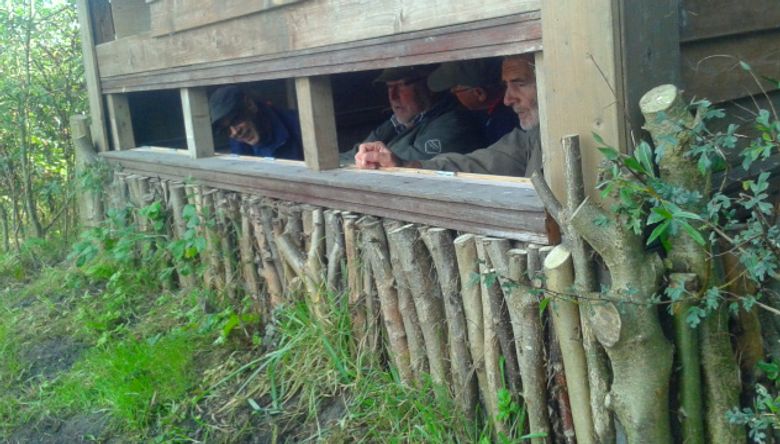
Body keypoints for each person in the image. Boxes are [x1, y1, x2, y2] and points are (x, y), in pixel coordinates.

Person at [354, 54, 541, 177]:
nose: (507, 100)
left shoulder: (454, 123)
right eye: (506, 86)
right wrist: (404, 165)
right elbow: (476, 163)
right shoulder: (529, 139)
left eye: (520, 84)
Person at [340, 65, 485, 163]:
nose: (393, 96)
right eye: (389, 87)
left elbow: (393, 164)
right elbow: (358, 153)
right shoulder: (399, 121)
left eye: (401, 86)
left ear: (429, 85)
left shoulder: (454, 123)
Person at [427, 58, 518, 145]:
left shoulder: (504, 126)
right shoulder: (485, 111)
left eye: (455, 90)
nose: (452, 94)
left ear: (479, 93)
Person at [209, 85, 304, 160]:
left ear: (250, 105)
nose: (235, 132)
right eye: (226, 129)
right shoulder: (238, 140)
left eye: (235, 120)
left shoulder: (300, 125)